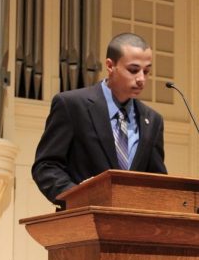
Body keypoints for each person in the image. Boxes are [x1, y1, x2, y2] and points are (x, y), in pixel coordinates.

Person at [32, 32, 167, 207]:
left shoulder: (153, 120)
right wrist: (76, 198)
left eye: (146, 71)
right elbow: (46, 166)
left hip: (133, 227)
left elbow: (157, 181)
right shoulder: (72, 105)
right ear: (110, 66)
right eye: (133, 70)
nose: (141, 78)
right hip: (82, 222)